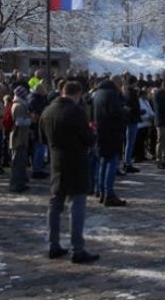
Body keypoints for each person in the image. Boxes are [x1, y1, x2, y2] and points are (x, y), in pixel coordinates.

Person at [41, 81, 99, 264]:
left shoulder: (47, 111)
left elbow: (42, 138)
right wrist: (92, 134)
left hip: (56, 161)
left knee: (55, 202)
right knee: (77, 203)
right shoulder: (76, 112)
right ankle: (78, 248)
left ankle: (53, 244)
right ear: (77, 94)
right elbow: (88, 139)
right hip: (76, 160)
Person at [93, 77, 127, 206]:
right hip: (112, 132)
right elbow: (115, 113)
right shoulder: (112, 94)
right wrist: (124, 112)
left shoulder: (98, 93)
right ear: (117, 84)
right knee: (112, 163)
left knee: (102, 162)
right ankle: (109, 194)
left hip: (101, 131)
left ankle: (101, 192)